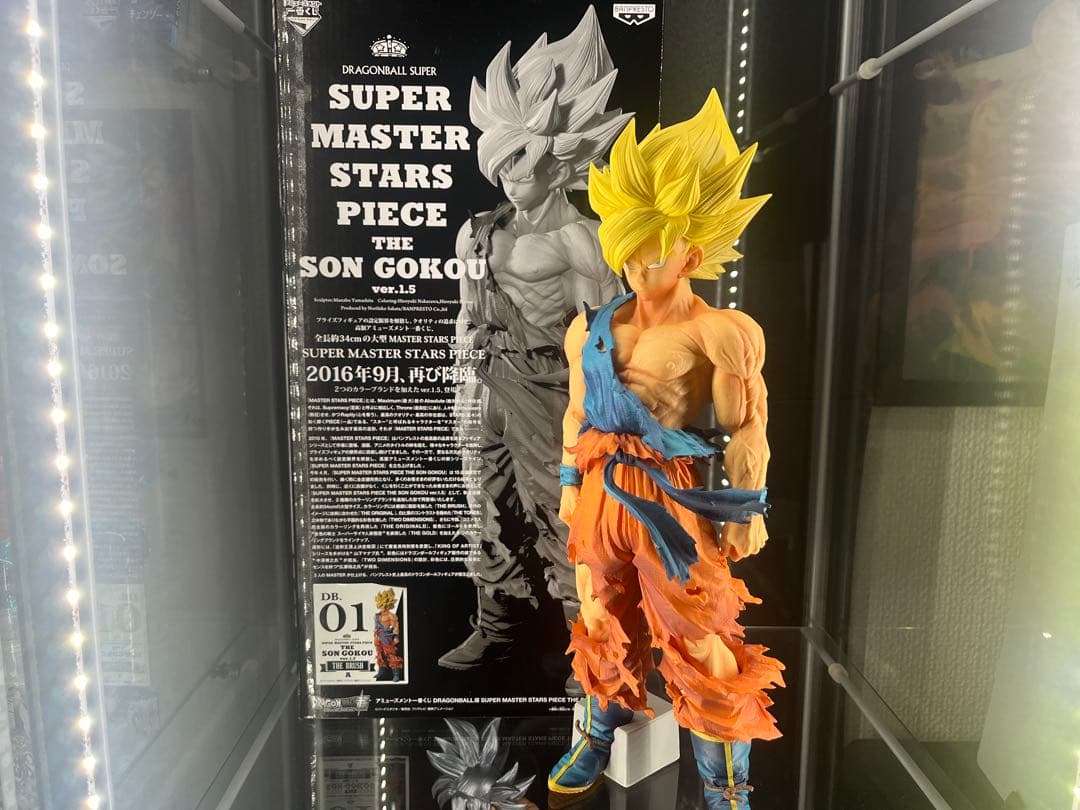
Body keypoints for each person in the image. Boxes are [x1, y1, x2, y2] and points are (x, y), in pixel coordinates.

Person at [547, 90, 784, 808]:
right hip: (599, 489)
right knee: (597, 616)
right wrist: (568, 488)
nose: (639, 261)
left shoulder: (722, 331)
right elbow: (576, 413)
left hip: (671, 497)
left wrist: (746, 508)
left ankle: (725, 784)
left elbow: (748, 427)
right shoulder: (588, 329)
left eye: (656, 246)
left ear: (693, 252)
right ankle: (597, 736)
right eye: (630, 242)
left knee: (701, 635)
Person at [439, 7, 628, 688]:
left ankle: (590, 646)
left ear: (558, 156)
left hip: (551, 389)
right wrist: (462, 385)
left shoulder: (584, 241)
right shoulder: (477, 231)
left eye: (520, 159)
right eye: (501, 161)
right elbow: (465, 316)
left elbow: (606, 338)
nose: (508, 178)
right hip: (485, 381)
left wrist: (601, 420)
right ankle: (500, 626)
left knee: (561, 512)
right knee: (484, 509)